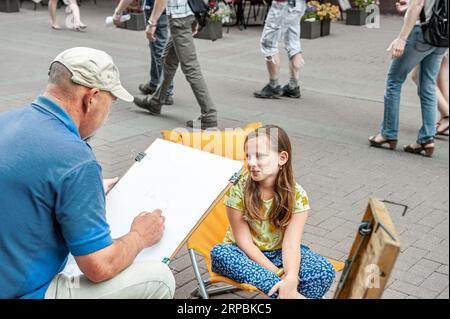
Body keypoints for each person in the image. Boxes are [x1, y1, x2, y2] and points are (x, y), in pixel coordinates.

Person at [0, 47, 175, 299]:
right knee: (160, 279)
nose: (107, 114)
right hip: (22, 292)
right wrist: (139, 235)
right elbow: (99, 266)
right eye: (110, 103)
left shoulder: (6, 121)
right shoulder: (75, 159)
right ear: (91, 98)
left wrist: (81, 193)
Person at [210, 125, 336, 299]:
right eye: (248, 156)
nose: (251, 162)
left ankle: (287, 290)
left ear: (282, 158)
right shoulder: (238, 189)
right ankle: (293, 295)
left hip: (280, 253)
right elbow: (244, 242)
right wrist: (279, 274)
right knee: (220, 253)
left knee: (324, 270)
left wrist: (291, 276)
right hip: (242, 254)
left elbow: (291, 245)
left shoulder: (297, 196)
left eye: (259, 156)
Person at [368, 0, 448, 157]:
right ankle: (427, 139)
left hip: (422, 31)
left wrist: (402, 38)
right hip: (443, 34)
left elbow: (418, 4)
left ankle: (388, 133)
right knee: (428, 85)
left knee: (394, 81)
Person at [133, 0, 218, 129]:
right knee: (168, 60)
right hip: (188, 13)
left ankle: (209, 115)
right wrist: (196, 14)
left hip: (180, 17)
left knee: (191, 68)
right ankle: (156, 101)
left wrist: (152, 22)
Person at [395, 0, 449, 137]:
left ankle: (447, 116)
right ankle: (444, 118)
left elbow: (419, 3)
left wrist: (401, 38)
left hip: (435, 29)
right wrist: (410, 4)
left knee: (420, 76)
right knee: (440, 76)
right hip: (444, 28)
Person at [113, 0, 175, 104]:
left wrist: (118, 12)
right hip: (162, 8)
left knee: (159, 49)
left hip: (156, 9)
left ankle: (166, 92)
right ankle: (154, 83)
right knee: (156, 46)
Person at [253, 0, 306, 99]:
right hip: (299, 4)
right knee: (293, 43)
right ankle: (293, 86)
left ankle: (273, 85)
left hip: (282, 4)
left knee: (268, 43)